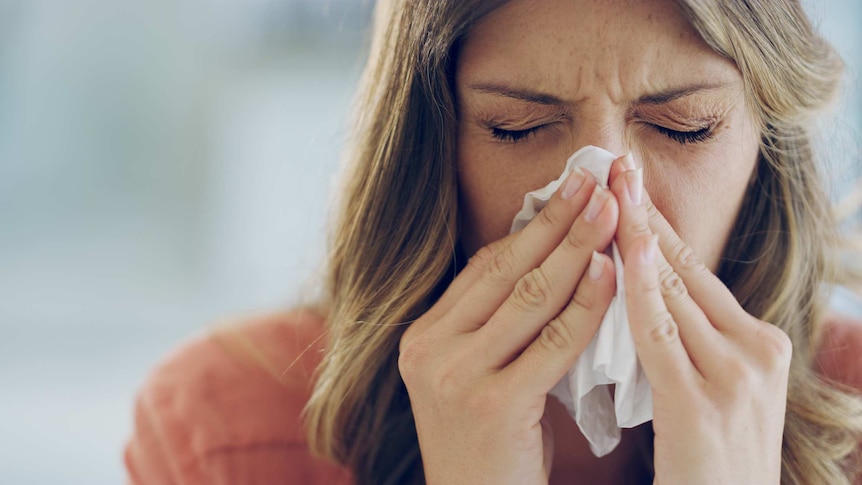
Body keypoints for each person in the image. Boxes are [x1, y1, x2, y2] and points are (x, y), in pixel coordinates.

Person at [124, 0, 862, 483]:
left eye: (685, 126)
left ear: (767, 143)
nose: (607, 202)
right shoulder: (228, 430)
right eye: (519, 128)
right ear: (430, 146)